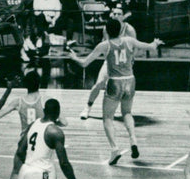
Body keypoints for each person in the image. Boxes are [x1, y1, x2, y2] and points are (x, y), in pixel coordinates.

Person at [69, 18, 164, 164]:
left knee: (107, 118)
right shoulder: (129, 41)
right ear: (120, 30)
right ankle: (133, 140)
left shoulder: (104, 45)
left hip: (115, 82)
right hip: (130, 80)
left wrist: (74, 57)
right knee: (127, 113)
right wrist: (156, 43)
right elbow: (150, 47)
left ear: (106, 30)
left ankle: (114, 150)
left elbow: (84, 63)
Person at [0, 71, 76, 179]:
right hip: (41, 141)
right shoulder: (45, 100)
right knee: (49, 175)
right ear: (40, 83)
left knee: (16, 172)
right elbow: (64, 122)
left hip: (24, 142)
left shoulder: (18, 101)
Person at [78, 7, 137, 120]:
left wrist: (131, 59)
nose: (115, 15)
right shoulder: (107, 28)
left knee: (126, 89)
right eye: (113, 13)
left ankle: (123, 112)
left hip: (124, 63)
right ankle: (87, 107)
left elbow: (135, 47)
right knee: (99, 83)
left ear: (123, 16)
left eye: (118, 13)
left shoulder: (129, 29)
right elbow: (106, 46)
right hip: (111, 61)